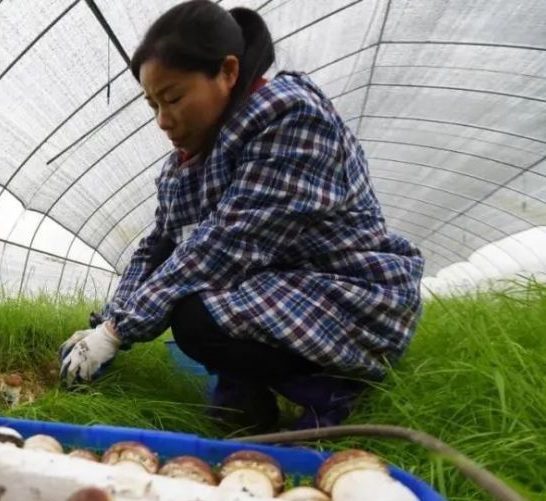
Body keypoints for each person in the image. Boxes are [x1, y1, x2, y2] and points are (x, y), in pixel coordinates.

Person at [59, 0, 424, 432]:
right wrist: (105, 322)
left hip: (347, 295)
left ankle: (334, 394)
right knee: (193, 297)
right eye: (153, 104)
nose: (162, 120)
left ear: (228, 72)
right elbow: (158, 248)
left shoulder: (290, 118)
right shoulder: (185, 166)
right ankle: (244, 404)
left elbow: (228, 244)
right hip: (274, 293)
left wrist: (119, 332)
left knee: (196, 314)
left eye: (173, 98)